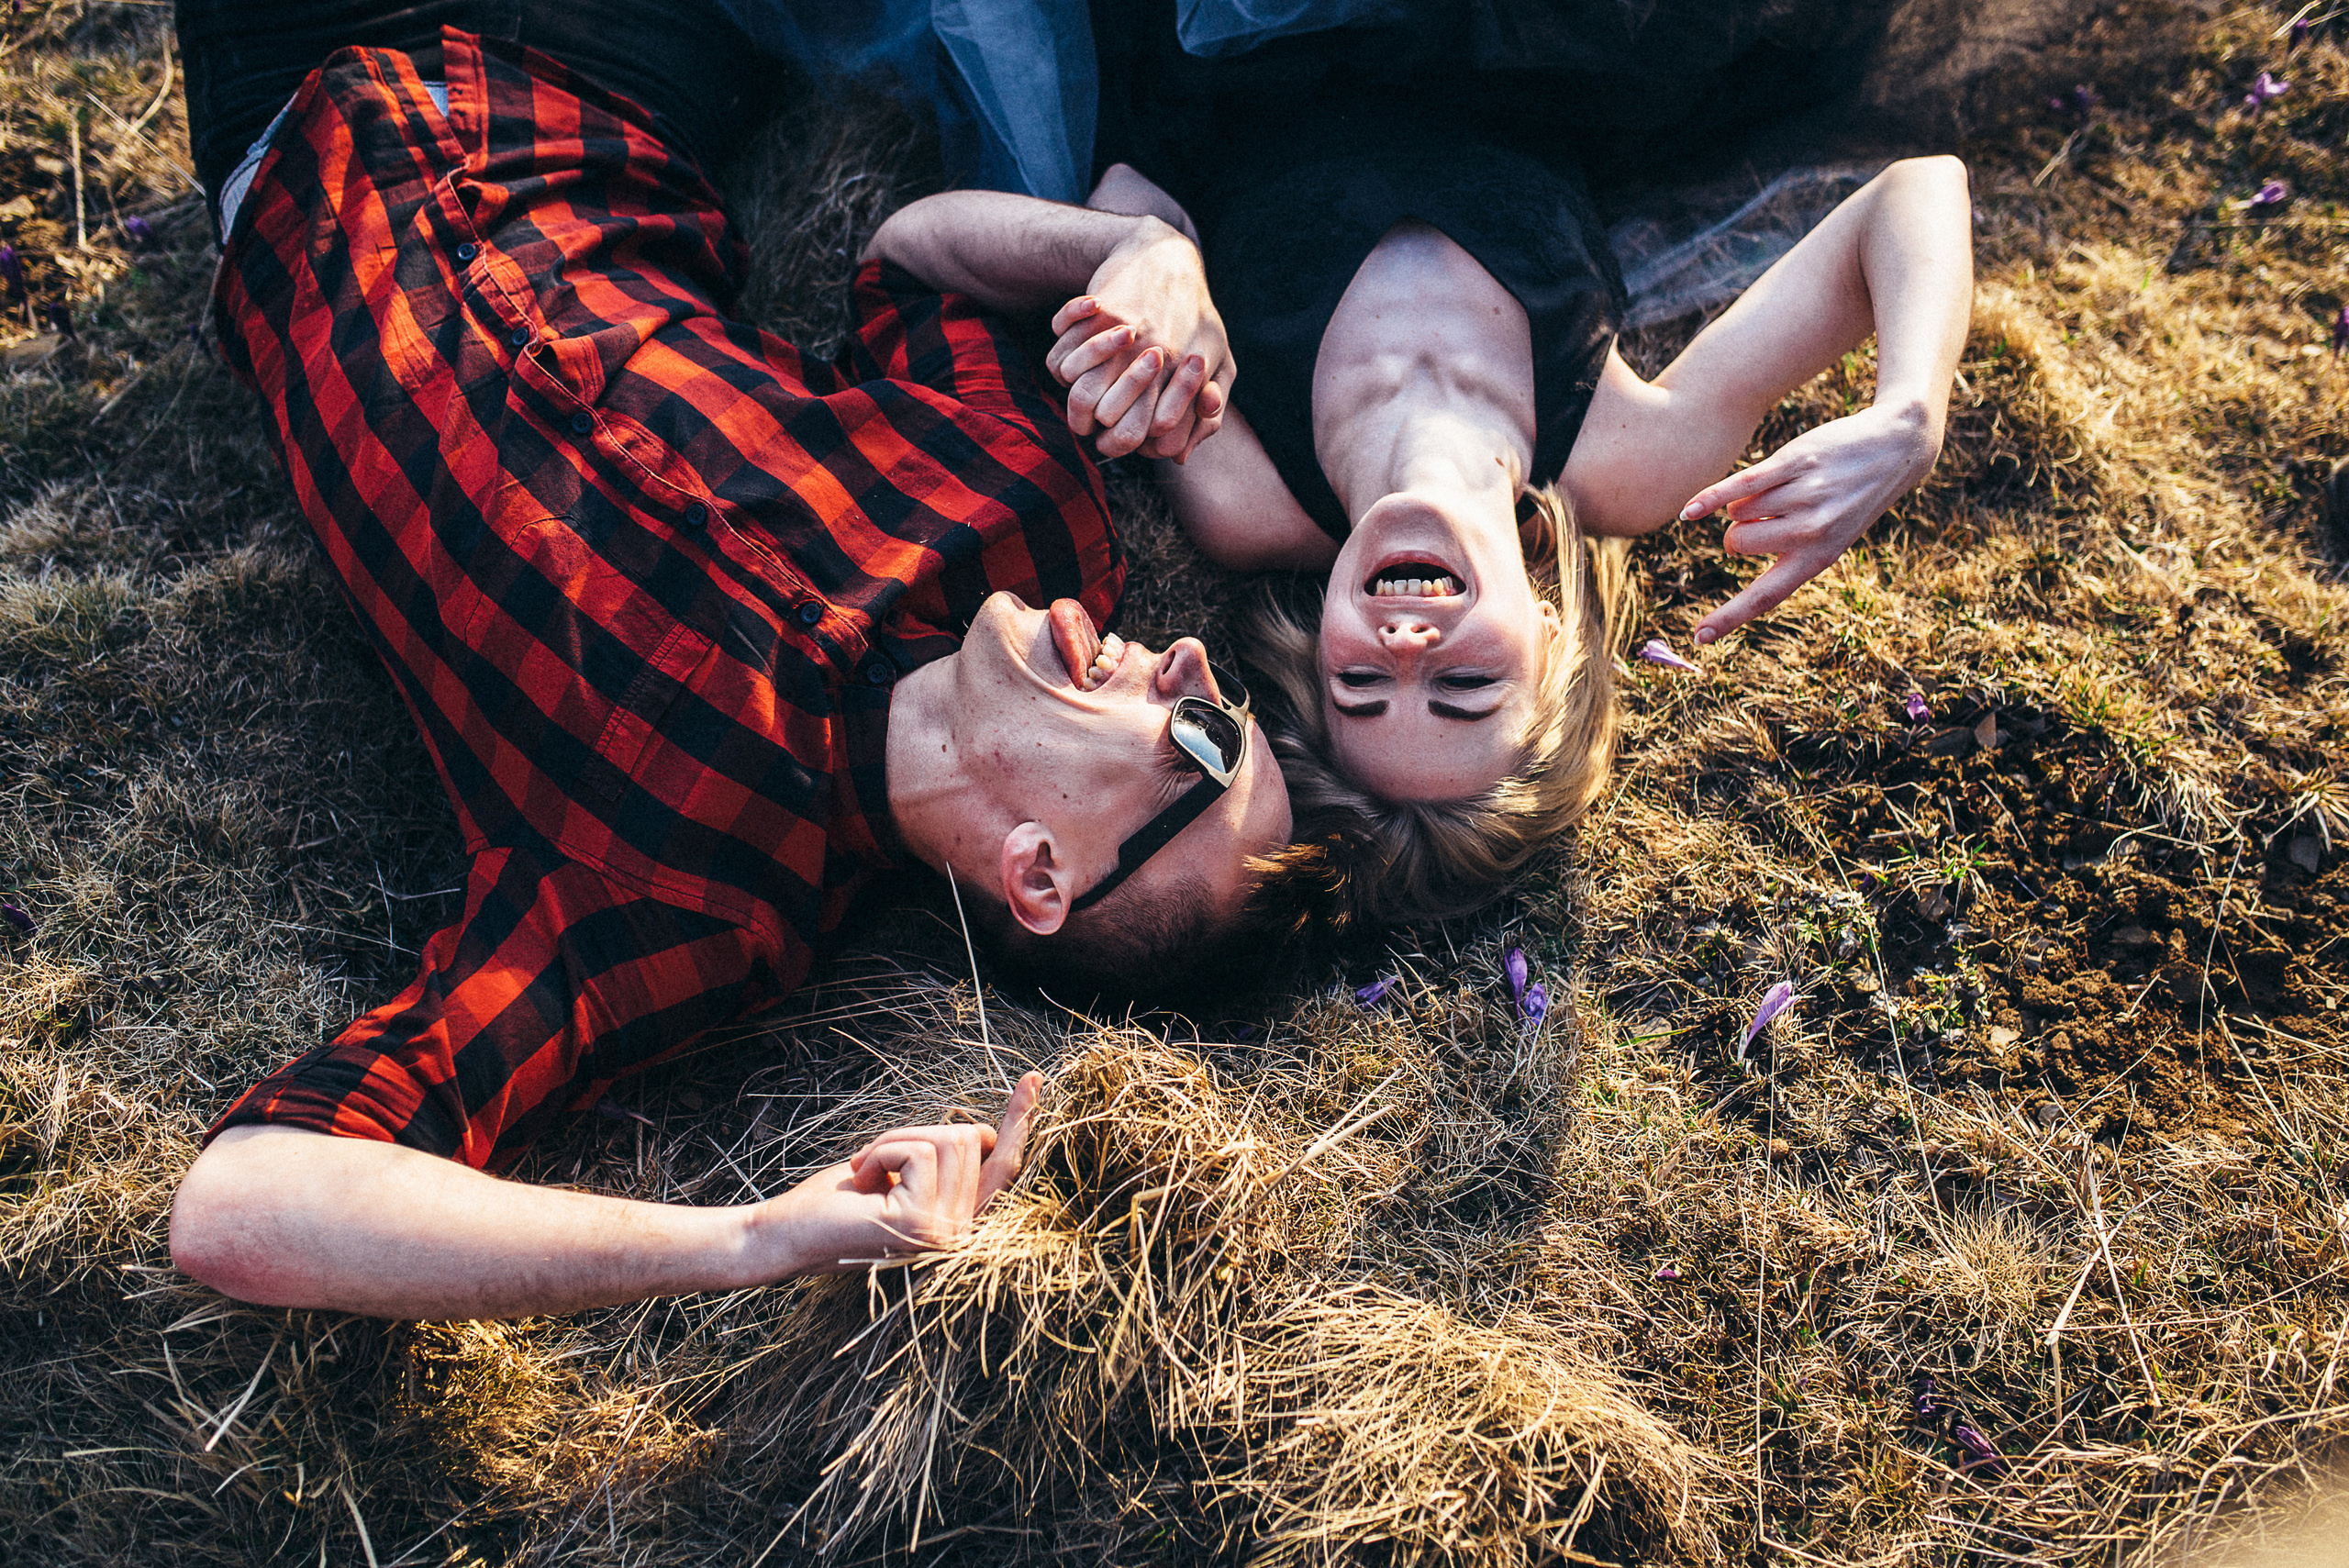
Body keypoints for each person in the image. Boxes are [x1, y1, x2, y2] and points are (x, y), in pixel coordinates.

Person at [164, 0, 1286, 1321]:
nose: (1188, 659)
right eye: (1227, 695)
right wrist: (1138, 249)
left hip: (303, 114)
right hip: (607, 68)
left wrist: (751, 1239)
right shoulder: (1034, 523)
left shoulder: (689, 911)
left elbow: (241, 1201)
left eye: (1203, 739)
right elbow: (915, 261)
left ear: (1039, 872)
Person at [1051, 20, 1974, 922]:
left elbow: (1131, 183)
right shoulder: (1638, 460)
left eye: (1360, 684)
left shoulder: (1241, 498)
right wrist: (1910, 414)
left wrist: (1152, 276)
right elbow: (1915, 192)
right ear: (1548, 634)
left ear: (1320, 642)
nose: (1406, 646)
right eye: (1463, 687)